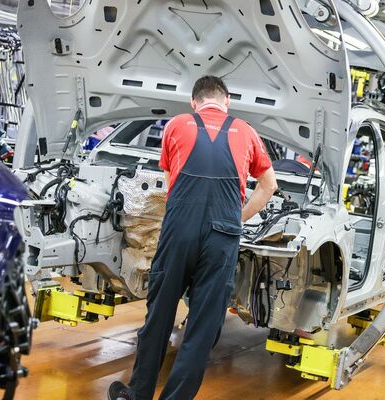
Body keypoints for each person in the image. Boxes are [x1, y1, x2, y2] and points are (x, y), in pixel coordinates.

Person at [108, 76, 278, 400]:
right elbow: (269, 186)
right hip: (222, 235)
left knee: (159, 315)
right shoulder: (246, 131)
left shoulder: (176, 125)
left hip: (180, 231)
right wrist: (236, 218)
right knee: (202, 328)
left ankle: (138, 393)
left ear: (194, 101)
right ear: (227, 101)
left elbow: (171, 181)